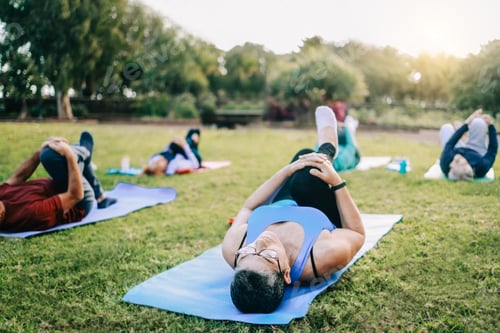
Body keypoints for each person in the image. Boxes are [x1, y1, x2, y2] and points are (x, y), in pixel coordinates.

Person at [221, 106, 366, 313]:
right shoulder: (321, 256)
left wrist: (287, 170)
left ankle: (315, 158)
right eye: (268, 255)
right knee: (304, 180)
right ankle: (328, 149)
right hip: (316, 208)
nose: (260, 242)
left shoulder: (233, 248)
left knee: (303, 156)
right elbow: (356, 233)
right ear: (286, 274)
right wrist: (336, 182)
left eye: (250, 252)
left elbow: (249, 206)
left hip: (284, 201)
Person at [0, 131, 117, 232]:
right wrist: (70, 155)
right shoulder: (31, 214)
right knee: (50, 156)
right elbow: (75, 195)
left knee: (48, 152)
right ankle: (84, 151)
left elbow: (19, 176)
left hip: (61, 185)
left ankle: (100, 196)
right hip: (79, 201)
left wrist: (40, 150)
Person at [439, 109, 498, 180]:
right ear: (468, 166)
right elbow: (492, 150)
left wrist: (466, 124)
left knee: (446, 127)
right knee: (478, 122)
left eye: (454, 162)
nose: (456, 158)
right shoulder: (481, 167)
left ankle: (464, 137)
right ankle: (466, 137)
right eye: (459, 162)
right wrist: (491, 126)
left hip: (456, 147)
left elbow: (451, 142)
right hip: (476, 150)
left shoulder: (446, 164)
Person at [328, 102, 360, 172]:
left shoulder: (339, 162)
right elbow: (351, 146)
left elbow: (351, 146)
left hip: (337, 155)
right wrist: (345, 127)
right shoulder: (341, 161)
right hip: (339, 152)